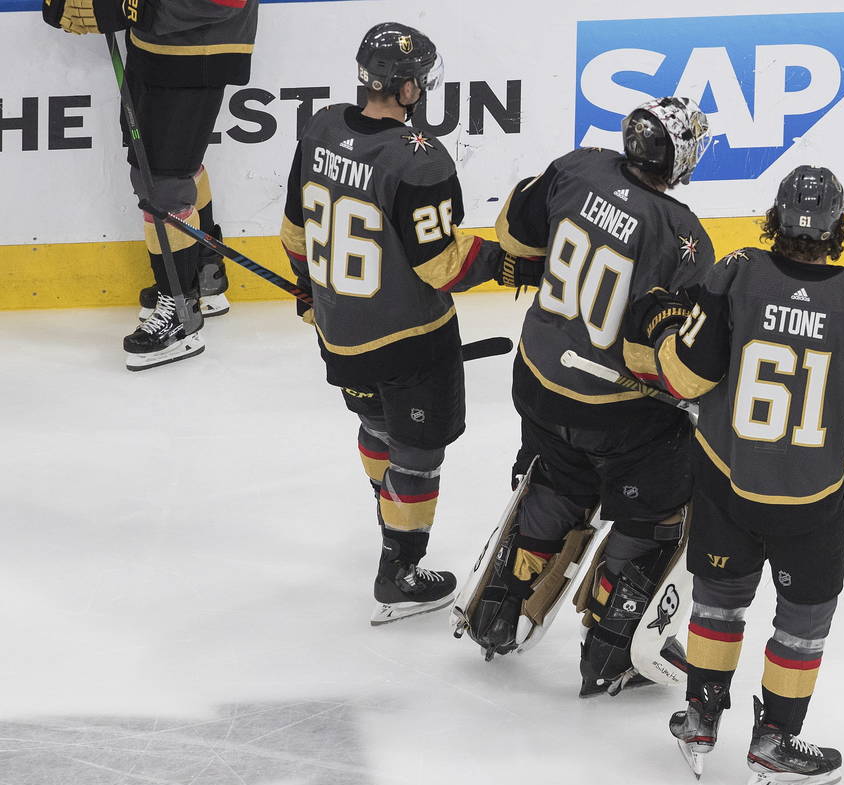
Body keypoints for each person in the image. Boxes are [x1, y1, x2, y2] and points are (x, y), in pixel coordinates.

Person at [624, 166, 844, 785]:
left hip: (727, 480)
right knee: (802, 621)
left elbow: (689, 380)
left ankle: (699, 716)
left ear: (775, 219)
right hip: (809, 499)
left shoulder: (735, 273)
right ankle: (775, 744)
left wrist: (662, 334)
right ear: (838, 228)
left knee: (719, 601)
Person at [279, 23, 541, 624]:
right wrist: (506, 263)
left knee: (375, 422)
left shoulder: (320, 127)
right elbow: (442, 264)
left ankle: (389, 511)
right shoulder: (417, 158)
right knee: (418, 451)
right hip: (410, 342)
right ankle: (399, 569)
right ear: (406, 87)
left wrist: (309, 288)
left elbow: (294, 233)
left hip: (339, 332)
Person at [468, 97, 715, 696]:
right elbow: (666, 361)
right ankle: (611, 644)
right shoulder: (684, 236)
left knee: (559, 476)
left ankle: (504, 599)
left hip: (537, 381)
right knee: (655, 505)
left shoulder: (579, 166)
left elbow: (514, 235)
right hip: (615, 412)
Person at [43, 0, 259, 370]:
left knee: (161, 183)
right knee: (172, 167)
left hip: (197, 49)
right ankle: (203, 277)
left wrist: (133, 8)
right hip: (153, 46)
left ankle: (181, 312)